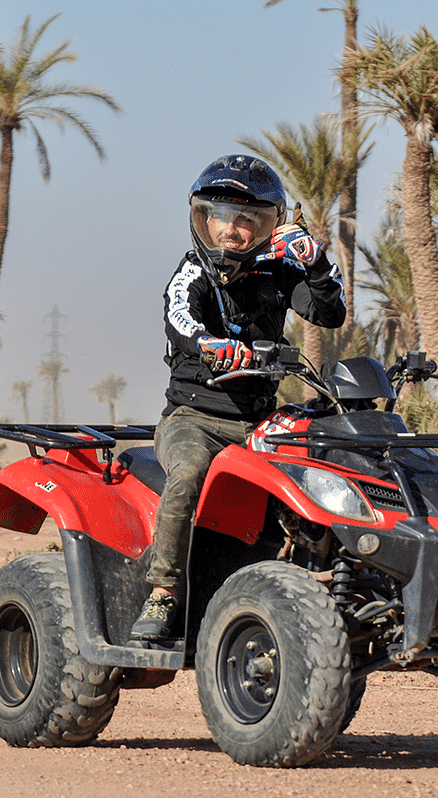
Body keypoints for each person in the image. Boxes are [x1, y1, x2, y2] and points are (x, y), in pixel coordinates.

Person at [129, 153, 347, 643]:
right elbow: (180, 319)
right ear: (204, 220)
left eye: (248, 219)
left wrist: (315, 263)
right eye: (222, 216)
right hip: (194, 419)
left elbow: (330, 313)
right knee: (186, 475)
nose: (233, 229)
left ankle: (324, 587)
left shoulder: (278, 272)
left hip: (259, 424)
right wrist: (208, 345)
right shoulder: (192, 273)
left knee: (326, 472)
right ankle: (163, 592)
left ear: (270, 225)